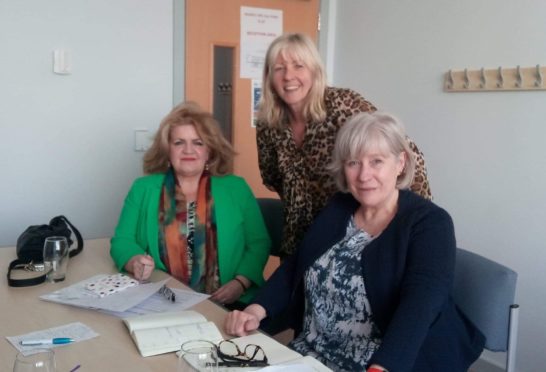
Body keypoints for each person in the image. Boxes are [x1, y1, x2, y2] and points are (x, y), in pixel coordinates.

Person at [225, 112, 485, 372]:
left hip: (385, 362)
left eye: (376, 161)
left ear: (400, 163)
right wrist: (256, 310)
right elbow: (297, 265)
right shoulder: (339, 207)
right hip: (312, 355)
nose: (363, 175)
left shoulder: (430, 223)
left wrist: (384, 366)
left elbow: (421, 304)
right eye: (353, 163)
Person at [256, 32, 432, 258]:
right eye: (279, 68)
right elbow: (272, 177)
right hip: (300, 238)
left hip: (351, 235)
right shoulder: (267, 123)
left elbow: (407, 152)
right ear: (269, 76)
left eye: (299, 66)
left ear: (314, 71)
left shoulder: (342, 104)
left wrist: (415, 221)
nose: (288, 76)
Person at [110, 102, 271, 307]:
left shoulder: (236, 188)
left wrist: (240, 282)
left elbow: (259, 243)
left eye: (198, 142)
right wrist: (134, 262)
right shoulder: (143, 188)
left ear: (209, 151)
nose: (188, 150)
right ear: (167, 150)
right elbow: (122, 241)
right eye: (179, 142)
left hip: (229, 302)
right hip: (163, 299)